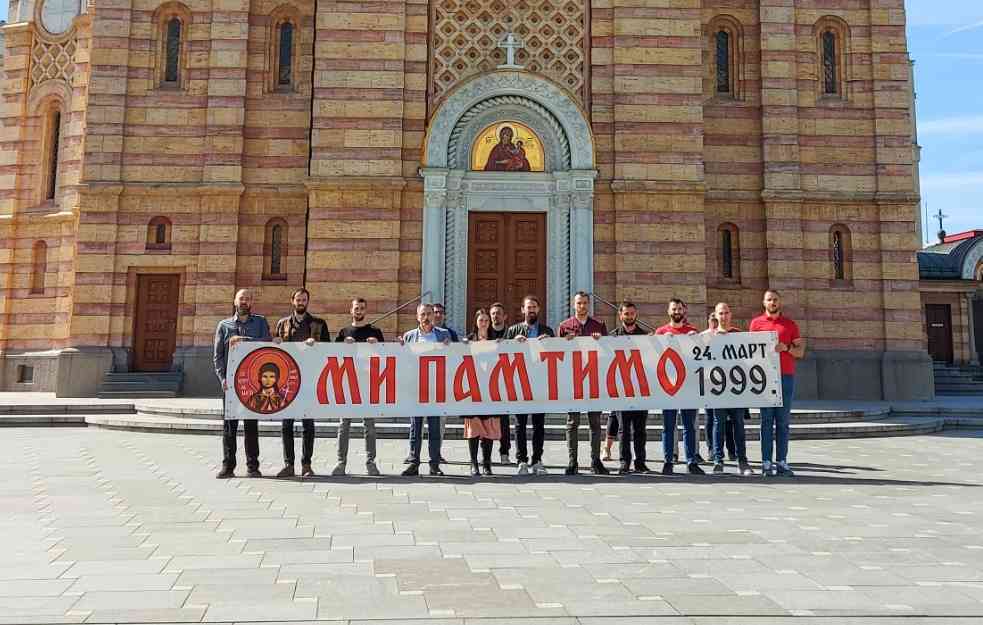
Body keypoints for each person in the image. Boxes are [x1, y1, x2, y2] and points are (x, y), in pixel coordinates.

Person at [213, 288, 271, 479]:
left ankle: (253, 467)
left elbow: (266, 344)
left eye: (247, 299)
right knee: (229, 426)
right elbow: (218, 356)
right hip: (230, 384)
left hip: (253, 384)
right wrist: (222, 379)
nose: (244, 301)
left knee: (251, 426)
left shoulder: (261, 322)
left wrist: (243, 340)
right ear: (235, 301)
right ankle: (228, 466)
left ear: (251, 302)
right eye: (241, 298)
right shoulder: (224, 325)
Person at [273, 288, 328, 478]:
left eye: (304, 299)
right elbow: (275, 350)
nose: (301, 302)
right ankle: (288, 464)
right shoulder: (282, 324)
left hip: (309, 381)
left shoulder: (319, 324)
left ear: (308, 302)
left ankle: (306, 464)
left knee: (308, 424)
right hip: (286, 381)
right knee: (286, 424)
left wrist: (318, 345)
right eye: (298, 299)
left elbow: (329, 351)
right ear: (292, 301)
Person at [749, 290, 805, 477]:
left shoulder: (789, 324)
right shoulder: (756, 324)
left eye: (775, 300)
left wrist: (786, 348)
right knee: (766, 422)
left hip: (785, 377)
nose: (772, 302)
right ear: (763, 302)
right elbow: (750, 351)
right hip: (764, 378)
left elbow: (800, 352)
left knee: (782, 422)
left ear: (779, 302)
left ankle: (782, 461)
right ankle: (766, 462)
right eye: (769, 300)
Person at [557, 291, 609, 475]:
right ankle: (573, 462)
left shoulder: (599, 325)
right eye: (579, 303)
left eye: (585, 303)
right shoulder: (564, 327)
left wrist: (600, 341)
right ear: (574, 305)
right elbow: (558, 355)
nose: (582, 306)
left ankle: (595, 461)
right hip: (573, 381)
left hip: (594, 380)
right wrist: (564, 342)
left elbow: (609, 352)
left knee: (595, 422)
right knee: (572, 422)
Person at [333, 297, 385, 477]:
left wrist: (377, 346)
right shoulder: (343, 332)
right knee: (343, 425)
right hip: (348, 384)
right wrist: (342, 346)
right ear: (351, 310)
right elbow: (332, 357)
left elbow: (385, 356)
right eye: (356, 308)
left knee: (369, 425)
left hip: (368, 384)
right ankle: (341, 463)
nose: (359, 311)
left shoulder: (375, 332)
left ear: (365, 311)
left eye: (362, 308)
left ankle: (371, 463)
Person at [504, 295, 554, 476]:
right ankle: (521, 460)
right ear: (522, 310)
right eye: (528, 307)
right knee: (520, 424)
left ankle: (537, 460)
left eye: (534, 307)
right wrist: (512, 342)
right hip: (520, 383)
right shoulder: (513, 330)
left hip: (540, 383)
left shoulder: (547, 330)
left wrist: (548, 343)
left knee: (539, 424)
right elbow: (502, 352)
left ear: (538, 310)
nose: (531, 310)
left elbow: (556, 356)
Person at [400, 303, 452, 477]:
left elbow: (460, 352)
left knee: (435, 428)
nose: (426, 317)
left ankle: (434, 465)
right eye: (423, 314)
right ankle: (414, 462)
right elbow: (403, 360)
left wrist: (449, 347)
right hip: (416, 389)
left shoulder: (444, 335)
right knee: (415, 427)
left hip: (436, 389)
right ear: (417, 317)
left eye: (429, 314)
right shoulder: (409, 337)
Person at [655, 298, 704, 476]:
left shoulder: (692, 331)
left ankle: (691, 461)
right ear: (668, 311)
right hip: (668, 385)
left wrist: (696, 341)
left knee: (689, 425)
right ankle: (668, 461)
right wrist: (659, 341)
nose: (677, 311)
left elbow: (700, 356)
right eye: (674, 309)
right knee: (668, 425)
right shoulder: (660, 332)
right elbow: (652, 356)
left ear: (685, 310)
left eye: (679, 309)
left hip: (689, 385)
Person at [704, 302, 753, 476]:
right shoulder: (709, 337)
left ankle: (742, 460)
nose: (723, 316)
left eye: (726, 313)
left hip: (736, 388)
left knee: (738, 424)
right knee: (718, 424)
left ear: (730, 315)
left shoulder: (739, 335)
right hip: (717, 388)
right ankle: (718, 460)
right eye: (720, 313)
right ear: (715, 316)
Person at [609, 301, 651, 474]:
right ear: (620, 315)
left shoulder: (645, 336)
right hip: (621, 390)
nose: (629, 316)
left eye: (632, 313)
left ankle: (640, 462)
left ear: (636, 314)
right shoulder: (612, 337)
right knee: (623, 429)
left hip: (640, 389)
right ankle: (624, 462)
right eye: (626, 314)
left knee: (640, 429)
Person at [463, 309, 502, 476]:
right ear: (476, 322)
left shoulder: (497, 341)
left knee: (488, 427)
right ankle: (473, 464)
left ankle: (487, 463)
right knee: (474, 426)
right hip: (473, 390)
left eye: (486, 320)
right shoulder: (468, 341)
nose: (484, 323)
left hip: (491, 390)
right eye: (481, 320)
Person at [488, 302, 512, 464]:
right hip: (486, 382)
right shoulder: (483, 333)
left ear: (504, 317)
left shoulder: (511, 334)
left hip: (506, 381)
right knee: (487, 419)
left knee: (504, 420)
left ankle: (505, 453)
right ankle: (486, 455)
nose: (496, 316)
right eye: (493, 314)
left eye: (498, 313)